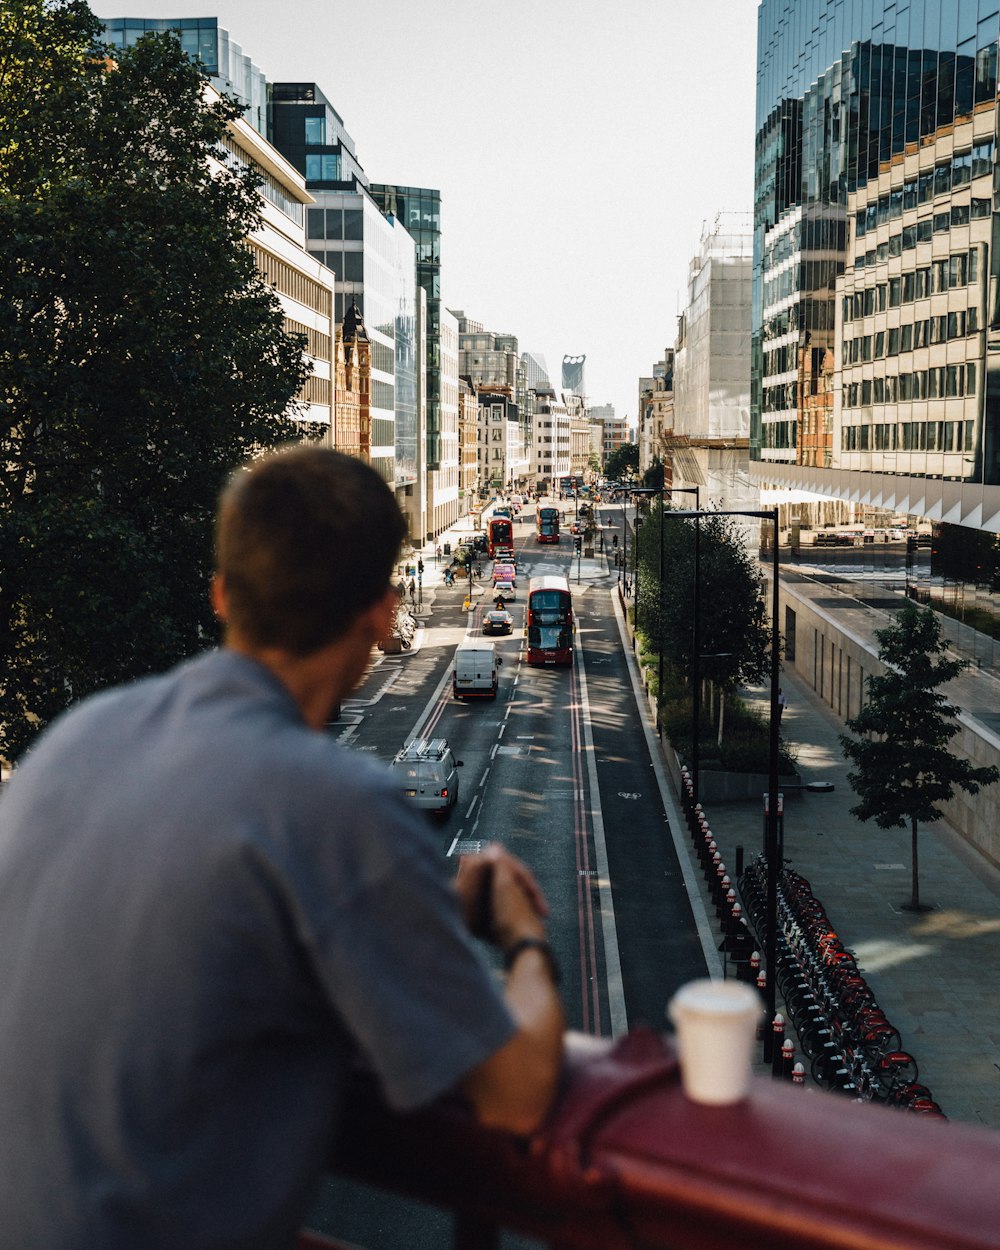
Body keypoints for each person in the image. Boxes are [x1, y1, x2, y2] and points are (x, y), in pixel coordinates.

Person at [0, 446, 564, 1248]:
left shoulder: (74, 739)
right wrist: (521, 934)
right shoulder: (340, 808)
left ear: (223, 596)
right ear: (381, 612)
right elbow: (513, 1093)